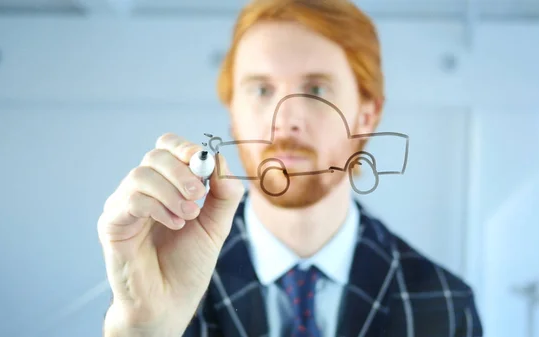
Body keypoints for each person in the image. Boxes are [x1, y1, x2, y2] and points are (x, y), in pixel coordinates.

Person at [98, 0, 483, 336]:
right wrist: (142, 333)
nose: (285, 120)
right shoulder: (166, 284)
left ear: (367, 115)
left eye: (316, 89)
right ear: (233, 114)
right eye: (262, 90)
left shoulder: (446, 305)